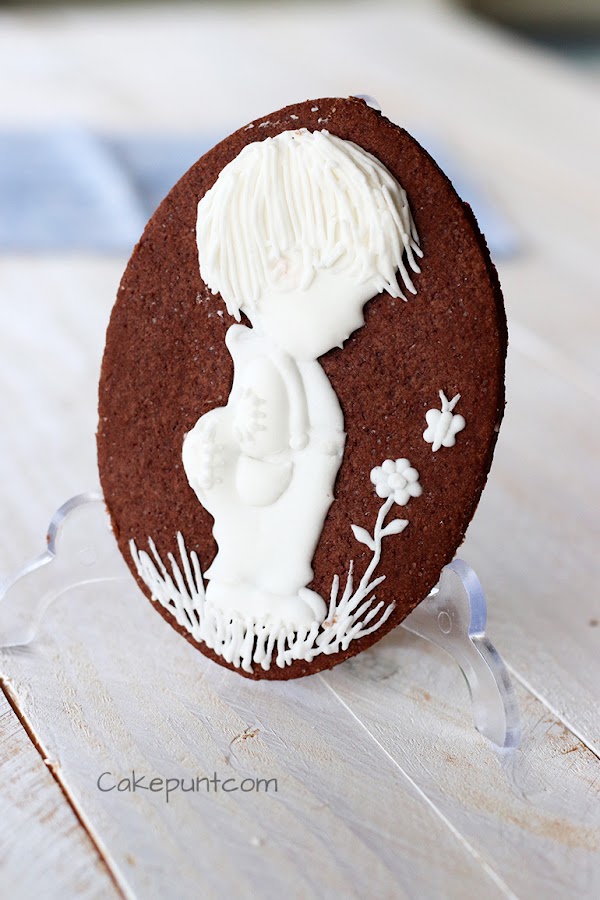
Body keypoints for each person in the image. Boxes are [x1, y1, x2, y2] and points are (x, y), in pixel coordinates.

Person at [182, 128, 422, 629]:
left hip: (295, 480)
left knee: (291, 530)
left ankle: (278, 587)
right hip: (263, 482)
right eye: (354, 299)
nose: (359, 321)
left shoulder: (289, 365)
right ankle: (240, 586)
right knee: (255, 529)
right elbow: (249, 430)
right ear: (286, 270)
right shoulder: (262, 361)